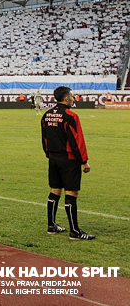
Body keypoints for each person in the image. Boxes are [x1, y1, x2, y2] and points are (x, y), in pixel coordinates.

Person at [41, 86, 94, 240]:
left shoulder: (47, 115)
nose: (73, 98)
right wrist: (84, 161)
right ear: (66, 98)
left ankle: (51, 225)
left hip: (53, 158)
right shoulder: (70, 116)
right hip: (69, 160)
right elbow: (77, 140)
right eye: (72, 95)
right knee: (71, 193)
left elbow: (44, 138)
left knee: (55, 190)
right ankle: (75, 232)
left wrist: (48, 154)